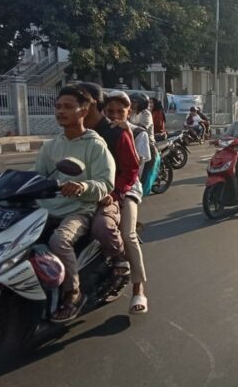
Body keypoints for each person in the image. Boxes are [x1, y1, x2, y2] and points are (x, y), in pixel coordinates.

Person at [33, 85, 115, 323]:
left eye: (68, 107)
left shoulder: (94, 145)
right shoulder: (50, 145)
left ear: (84, 110)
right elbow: (36, 175)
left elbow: (105, 183)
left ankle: (72, 293)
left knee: (59, 241)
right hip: (47, 208)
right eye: (58, 107)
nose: (61, 111)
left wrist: (82, 187)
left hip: (79, 210)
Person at [78, 83, 138, 289]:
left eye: (77, 104)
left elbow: (132, 170)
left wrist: (114, 194)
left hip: (114, 193)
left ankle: (126, 268)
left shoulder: (118, 132)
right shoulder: (72, 133)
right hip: (76, 194)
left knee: (111, 229)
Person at [104, 90, 150, 314]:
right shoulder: (98, 131)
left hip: (128, 188)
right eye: (110, 111)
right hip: (99, 189)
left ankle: (138, 289)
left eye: (120, 112)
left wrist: (127, 136)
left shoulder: (137, 133)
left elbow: (135, 169)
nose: (114, 116)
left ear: (129, 112)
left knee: (127, 233)